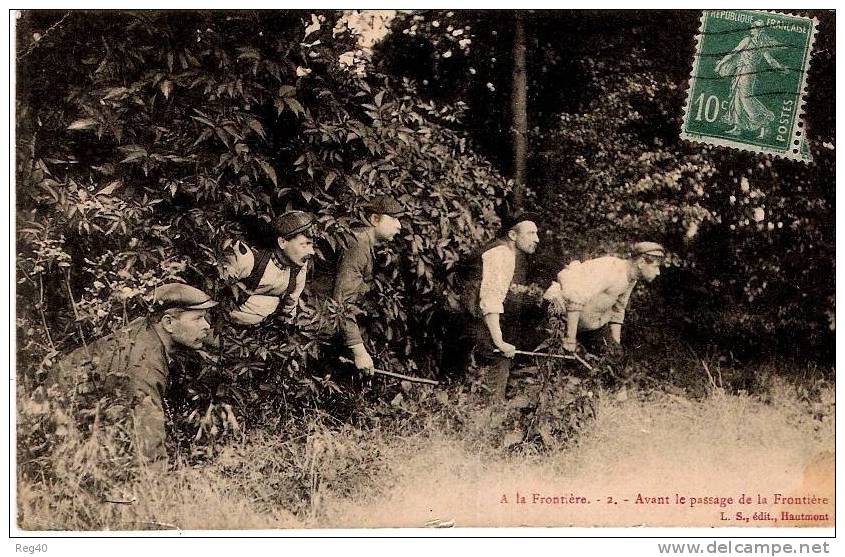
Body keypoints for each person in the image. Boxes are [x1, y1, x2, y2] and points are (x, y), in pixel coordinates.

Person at [47, 283, 217, 468]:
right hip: (54, 428)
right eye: (198, 318)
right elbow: (146, 440)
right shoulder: (144, 362)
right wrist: (160, 488)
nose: (206, 326)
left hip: (63, 419)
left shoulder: (145, 330)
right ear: (168, 323)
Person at [461, 212, 540, 399]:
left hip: (465, 312)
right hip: (462, 314)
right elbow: (490, 300)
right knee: (499, 355)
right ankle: (489, 413)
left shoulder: (505, 252)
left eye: (536, 233)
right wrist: (499, 342)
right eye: (531, 233)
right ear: (513, 235)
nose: (537, 239)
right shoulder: (501, 254)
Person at [543, 241, 665, 354]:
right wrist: (570, 339)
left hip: (588, 327)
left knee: (614, 356)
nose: (658, 272)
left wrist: (615, 345)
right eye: (656, 266)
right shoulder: (611, 270)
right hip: (559, 315)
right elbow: (575, 297)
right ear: (642, 262)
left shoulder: (631, 278)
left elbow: (617, 310)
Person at [332, 195, 404, 373]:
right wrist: (360, 353)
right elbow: (341, 304)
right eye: (394, 218)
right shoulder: (357, 244)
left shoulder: (362, 242)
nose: (399, 225)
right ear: (374, 219)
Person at [224, 210, 316, 326]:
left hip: (266, 329)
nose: (311, 252)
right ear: (282, 242)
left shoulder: (298, 268)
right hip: (230, 325)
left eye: (312, 245)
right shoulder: (249, 259)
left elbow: (290, 305)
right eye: (305, 244)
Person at [714, 19, 787, 137]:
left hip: (748, 72)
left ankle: (763, 120)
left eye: (758, 28)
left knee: (745, 98)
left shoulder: (754, 42)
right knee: (737, 96)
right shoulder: (752, 41)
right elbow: (734, 53)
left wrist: (780, 67)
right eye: (755, 27)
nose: (756, 30)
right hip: (741, 70)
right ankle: (738, 127)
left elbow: (769, 60)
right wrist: (721, 63)